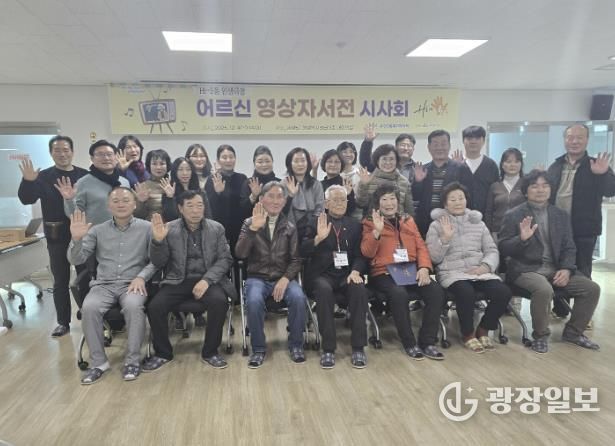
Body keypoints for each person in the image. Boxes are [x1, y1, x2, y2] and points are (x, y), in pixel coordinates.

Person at [498, 170, 600, 353]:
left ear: (551, 190)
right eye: (535, 186)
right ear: (526, 191)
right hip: (525, 269)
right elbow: (503, 247)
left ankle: (573, 333)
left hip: (555, 269)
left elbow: (569, 247)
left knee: (591, 288)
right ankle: (540, 335)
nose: (541, 190)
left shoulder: (560, 215)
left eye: (545, 185)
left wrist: (567, 269)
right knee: (543, 289)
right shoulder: (514, 214)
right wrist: (522, 239)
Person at [67, 187, 156, 384]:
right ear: (108, 206)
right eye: (115, 201)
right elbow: (76, 259)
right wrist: (76, 239)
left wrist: (142, 277)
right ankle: (99, 363)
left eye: (126, 200)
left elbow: (156, 261)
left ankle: (132, 361)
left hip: (133, 283)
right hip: (103, 284)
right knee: (89, 308)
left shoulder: (147, 228)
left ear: (134, 204)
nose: (121, 204)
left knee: (133, 306)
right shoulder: (97, 230)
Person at [143, 191, 234, 371]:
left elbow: (225, 259)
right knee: (155, 306)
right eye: (190, 206)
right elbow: (159, 262)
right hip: (177, 280)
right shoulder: (169, 229)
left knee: (219, 302)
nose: (195, 210)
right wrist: (158, 242)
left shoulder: (216, 228)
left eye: (199, 205)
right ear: (180, 208)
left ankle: (210, 352)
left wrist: (207, 280)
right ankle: (162, 353)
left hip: (208, 279)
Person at [361, 184, 445, 361]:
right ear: (377, 204)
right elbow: (367, 253)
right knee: (398, 293)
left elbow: (421, 246)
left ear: (398, 202)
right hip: (383, 273)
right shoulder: (369, 222)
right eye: (384, 199)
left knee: (436, 290)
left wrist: (424, 268)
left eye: (392, 198)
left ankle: (427, 341)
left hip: (410, 270)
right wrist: (377, 232)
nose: (389, 203)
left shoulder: (408, 221)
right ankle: (409, 343)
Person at [426, 182, 512, 353]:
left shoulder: (478, 223)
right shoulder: (436, 225)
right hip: (452, 273)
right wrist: (445, 239)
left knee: (503, 292)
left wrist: (485, 266)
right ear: (445, 204)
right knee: (466, 292)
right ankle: (468, 334)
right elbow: (434, 258)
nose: (458, 202)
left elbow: (491, 249)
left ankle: (484, 328)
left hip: (479, 271)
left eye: (461, 198)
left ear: (466, 200)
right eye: (452, 199)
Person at [17, 135, 88, 337]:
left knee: (85, 277)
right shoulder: (43, 176)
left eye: (66, 150)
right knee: (60, 280)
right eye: (57, 150)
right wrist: (28, 181)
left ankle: (88, 313)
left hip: (83, 234)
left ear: (72, 152)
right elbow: (26, 199)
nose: (62, 154)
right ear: (51, 153)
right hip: (57, 236)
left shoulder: (84, 176)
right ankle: (63, 322)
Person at [235, 181, 307, 368]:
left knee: (299, 297)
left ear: (285, 201)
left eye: (280, 197)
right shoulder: (249, 223)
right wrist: (253, 230)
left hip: (283, 277)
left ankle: (296, 345)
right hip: (257, 277)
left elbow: (296, 260)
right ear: (261, 199)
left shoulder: (290, 226)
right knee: (253, 300)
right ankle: (258, 349)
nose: (276, 201)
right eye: (271, 196)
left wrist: (285, 279)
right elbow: (240, 254)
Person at [300, 185, 369, 369]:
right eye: (335, 200)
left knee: (359, 288)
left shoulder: (355, 225)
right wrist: (317, 239)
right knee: (323, 290)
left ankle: (358, 347)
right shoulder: (314, 222)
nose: (340, 203)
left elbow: (361, 255)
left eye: (343, 200)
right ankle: (328, 349)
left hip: (346, 274)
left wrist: (356, 271)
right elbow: (302, 251)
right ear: (326, 203)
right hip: (322, 275)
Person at [547, 123, 615, 279]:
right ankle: (560, 297)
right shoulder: (556, 166)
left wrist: (602, 174)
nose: (574, 141)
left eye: (579, 137)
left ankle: (583, 295)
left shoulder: (596, 164)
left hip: (584, 230)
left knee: (582, 271)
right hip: (557, 228)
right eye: (570, 137)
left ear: (587, 140)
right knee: (557, 270)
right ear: (565, 140)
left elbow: (610, 191)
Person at [484, 147, 526, 314]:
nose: (512, 165)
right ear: (502, 164)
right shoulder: (495, 186)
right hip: (497, 233)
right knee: (498, 266)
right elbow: (488, 211)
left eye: (516, 161)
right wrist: (488, 232)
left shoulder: (526, 184)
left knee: (515, 266)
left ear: (521, 164)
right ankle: (500, 302)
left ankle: (515, 302)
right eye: (508, 161)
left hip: (519, 233)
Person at [412, 129, 473, 236]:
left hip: (453, 220)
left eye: (443, 144)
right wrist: (418, 182)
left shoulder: (461, 168)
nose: (439, 148)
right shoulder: (423, 169)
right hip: (426, 221)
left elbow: (469, 196)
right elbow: (416, 197)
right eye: (435, 144)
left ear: (449, 146)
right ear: (429, 147)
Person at [57, 140, 130, 225]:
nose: (106, 158)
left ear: (116, 157)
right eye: (100, 154)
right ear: (92, 159)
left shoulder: (124, 182)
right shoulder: (83, 183)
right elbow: (74, 216)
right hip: (96, 232)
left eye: (109, 154)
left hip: (123, 231)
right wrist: (69, 200)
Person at [205, 144, 248, 257]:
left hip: (239, 228)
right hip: (218, 228)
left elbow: (244, 205)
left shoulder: (242, 178)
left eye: (231, 157)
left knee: (238, 258)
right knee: (220, 260)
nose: (228, 160)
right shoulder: (212, 179)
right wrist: (218, 193)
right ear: (218, 160)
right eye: (224, 157)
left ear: (235, 159)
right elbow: (208, 206)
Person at [355, 144, 414, 216]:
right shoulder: (368, 179)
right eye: (384, 159)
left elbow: (409, 210)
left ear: (396, 161)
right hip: (372, 221)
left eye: (391, 159)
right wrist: (364, 185)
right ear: (377, 161)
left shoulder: (404, 181)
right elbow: (361, 204)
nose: (388, 162)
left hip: (398, 222)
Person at [452, 126, 499, 215]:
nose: (473, 141)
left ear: (483, 141)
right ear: (463, 141)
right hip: (459, 216)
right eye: (469, 138)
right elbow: (449, 190)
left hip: (485, 216)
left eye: (477, 138)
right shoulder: (455, 164)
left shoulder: (491, 165)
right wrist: (455, 168)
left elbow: (496, 192)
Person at [282, 147, 324, 236]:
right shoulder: (283, 184)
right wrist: (290, 196)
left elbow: (320, 209)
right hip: (288, 231)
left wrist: (311, 227)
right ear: (290, 164)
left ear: (308, 163)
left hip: (312, 230)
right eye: (296, 161)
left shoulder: (316, 184)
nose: (300, 164)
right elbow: (281, 211)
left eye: (303, 160)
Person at [239, 145, 281, 219]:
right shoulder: (248, 183)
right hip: (253, 224)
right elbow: (242, 212)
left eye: (267, 161)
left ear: (272, 162)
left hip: (277, 224)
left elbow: (286, 211)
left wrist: (290, 196)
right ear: (254, 164)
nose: (264, 165)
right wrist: (253, 196)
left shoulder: (280, 183)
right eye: (260, 162)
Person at [134, 149, 172, 221]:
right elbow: (136, 216)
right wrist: (141, 202)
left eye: (162, 164)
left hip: (171, 226)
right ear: (149, 165)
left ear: (167, 165)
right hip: (148, 225)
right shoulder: (142, 187)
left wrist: (171, 198)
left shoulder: (173, 185)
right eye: (154, 164)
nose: (158, 167)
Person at [319, 149, 357, 217]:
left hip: (343, 221)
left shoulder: (345, 183)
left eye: (337, 162)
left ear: (341, 165)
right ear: (324, 164)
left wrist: (348, 195)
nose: (333, 164)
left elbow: (351, 210)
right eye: (329, 161)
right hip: (322, 220)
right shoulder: (319, 185)